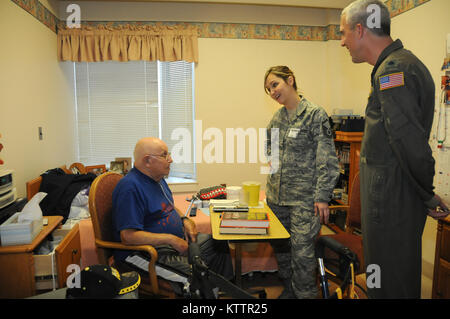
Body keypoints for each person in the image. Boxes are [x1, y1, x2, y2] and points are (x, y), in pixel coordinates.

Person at [340, 0, 449, 298]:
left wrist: (426, 193)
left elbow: (408, 142)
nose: (341, 41)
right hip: (389, 201)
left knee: (390, 285)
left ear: (360, 30)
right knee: (380, 282)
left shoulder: (394, 71)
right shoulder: (392, 68)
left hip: (392, 204)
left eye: (343, 33)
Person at [112, 137, 234, 294]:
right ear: (147, 160)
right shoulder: (130, 188)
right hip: (144, 253)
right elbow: (128, 236)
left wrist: (184, 220)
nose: (170, 159)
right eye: (164, 155)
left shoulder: (157, 180)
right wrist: (171, 239)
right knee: (197, 275)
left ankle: (214, 292)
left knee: (218, 244)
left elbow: (167, 207)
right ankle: (201, 292)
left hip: (172, 244)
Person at [264, 66, 339, 298]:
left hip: (304, 202)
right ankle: (290, 290)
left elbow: (327, 160)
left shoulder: (315, 114)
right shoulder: (277, 117)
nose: (272, 91)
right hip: (277, 199)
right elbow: (269, 149)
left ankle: (305, 294)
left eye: (275, 84)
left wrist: (322, 197)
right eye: (268, 89)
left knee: (303, 256)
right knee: (283, 251)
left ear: (290, 80)